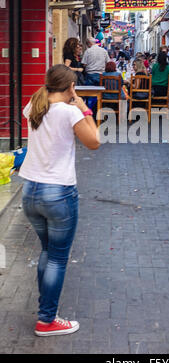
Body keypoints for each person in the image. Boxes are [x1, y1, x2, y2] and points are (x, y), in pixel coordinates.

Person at [19, 64, 100, 337]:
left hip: (30, 190)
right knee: (57, 259)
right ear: (69, 87)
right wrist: (84, 109)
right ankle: (47, 320)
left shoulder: (34, 105)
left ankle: (46, 309)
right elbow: (94, 141)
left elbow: (38, 105)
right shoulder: (69, 111)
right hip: (58, 194)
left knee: (47, 253)